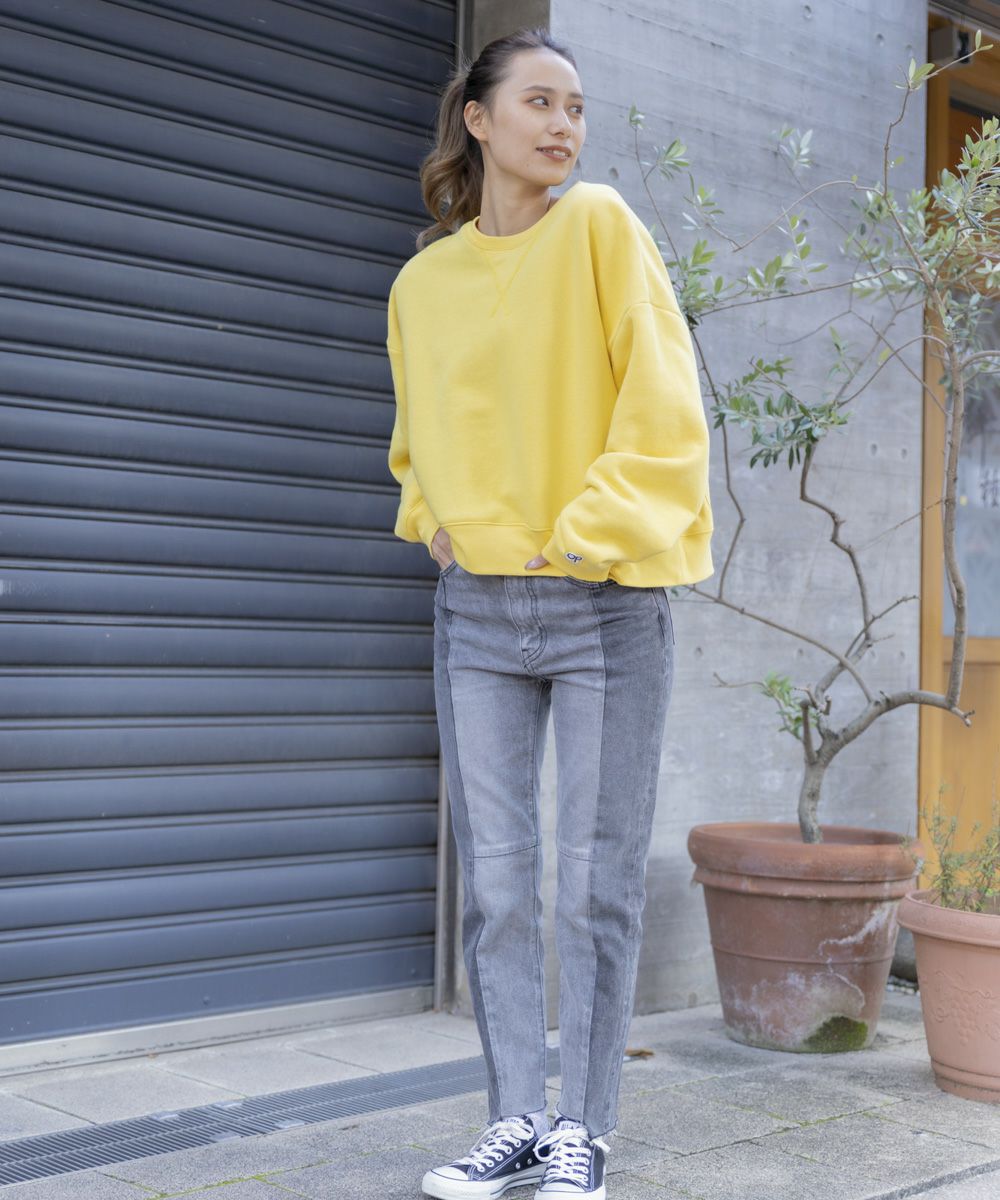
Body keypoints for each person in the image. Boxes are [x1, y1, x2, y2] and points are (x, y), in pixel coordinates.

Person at [385, 26, 713, 1200]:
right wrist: (433, 517)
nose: (563, 124)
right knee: (496, 889)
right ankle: (516, 1118)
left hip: (603, 605)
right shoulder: (422, 284)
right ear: (477, 119)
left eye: (574, 105)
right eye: (537, 101)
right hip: (474, 613)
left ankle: (586, 1127)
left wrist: (579, 534)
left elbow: (664, 407)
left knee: (594, 886)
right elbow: (415, 439)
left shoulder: (600, 227)